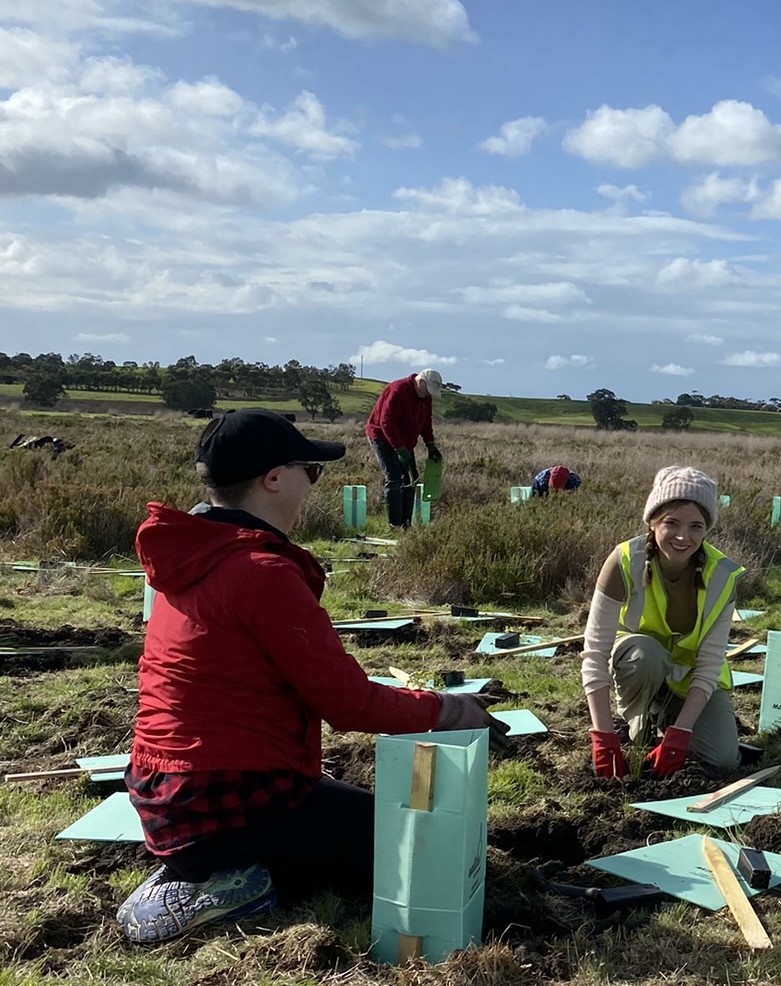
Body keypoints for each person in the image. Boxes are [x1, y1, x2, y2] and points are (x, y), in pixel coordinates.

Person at [117, 409, 495, 943]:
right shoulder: (261, 573)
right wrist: (447, 709)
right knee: (416, 844)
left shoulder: (191, 556)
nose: (313, 485)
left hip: (167, 794)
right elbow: (347, 704)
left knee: (343, 811)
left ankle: (199, 867)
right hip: (226, 798)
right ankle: (223, 886)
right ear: (273, 478)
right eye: (309, 472)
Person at [583, 467, 743, 778]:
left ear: (707, 530)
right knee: (646, 654)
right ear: (653, 522)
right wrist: (602, 737)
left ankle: (668, 719)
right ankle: (637, 715)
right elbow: (595, 655)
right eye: (672, 523)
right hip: (640, 668)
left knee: (722, 758)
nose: (684, 537)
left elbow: (710, 663)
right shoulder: (624, 560)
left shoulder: (723, 576)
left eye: (696, 526)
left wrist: (681, 733)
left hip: (690, 681)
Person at [364, 368, 444, 529]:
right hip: (381, 436)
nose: (428, 394)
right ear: (420, 382)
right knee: (394, 478)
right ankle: (394, 525)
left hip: (405, 441)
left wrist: (430, 444)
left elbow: (426, 422)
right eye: (428, 390)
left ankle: (406, 524)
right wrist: (399, 449)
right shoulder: (398, 390)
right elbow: (386, 422)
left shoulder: (425, 398)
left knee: (410, 480)